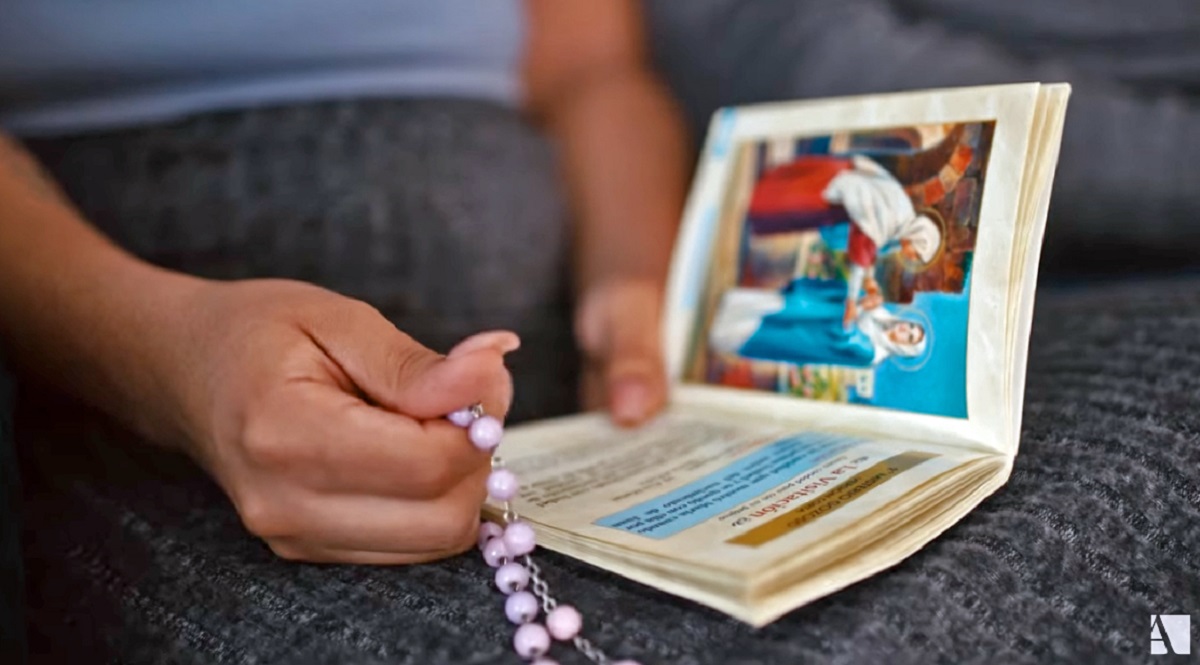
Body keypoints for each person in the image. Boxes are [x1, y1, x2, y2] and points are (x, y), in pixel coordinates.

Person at [0, 1, 686, 570]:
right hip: (127, 393)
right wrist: (159, 359)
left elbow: (593, 71)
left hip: (554, 403)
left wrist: (630, 279)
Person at [746, 154, 941, 327]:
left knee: (791, 202)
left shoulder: (900, 230)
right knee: (788, 205)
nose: (911, 257)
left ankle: (759, 202)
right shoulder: (896, 219)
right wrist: (851, 302)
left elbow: (871, 250)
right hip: (837, 187)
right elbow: (861, 255)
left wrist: (870, 279)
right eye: (916, 254)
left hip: (841, 192)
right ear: (917, 239)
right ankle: (755, 207)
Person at [709, 276, 927, 368]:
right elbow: (848, 294)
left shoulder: (872, 353)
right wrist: (866, 292)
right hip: (813, 310)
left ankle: (719, 330)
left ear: (902, 347)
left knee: (765, 331)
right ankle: (725, 307)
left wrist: (861, 305)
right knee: (773, 306)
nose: (904, 329)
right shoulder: (881, 313)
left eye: (908, 337)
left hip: (811, 337)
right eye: (910, 326)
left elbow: (844, 335)